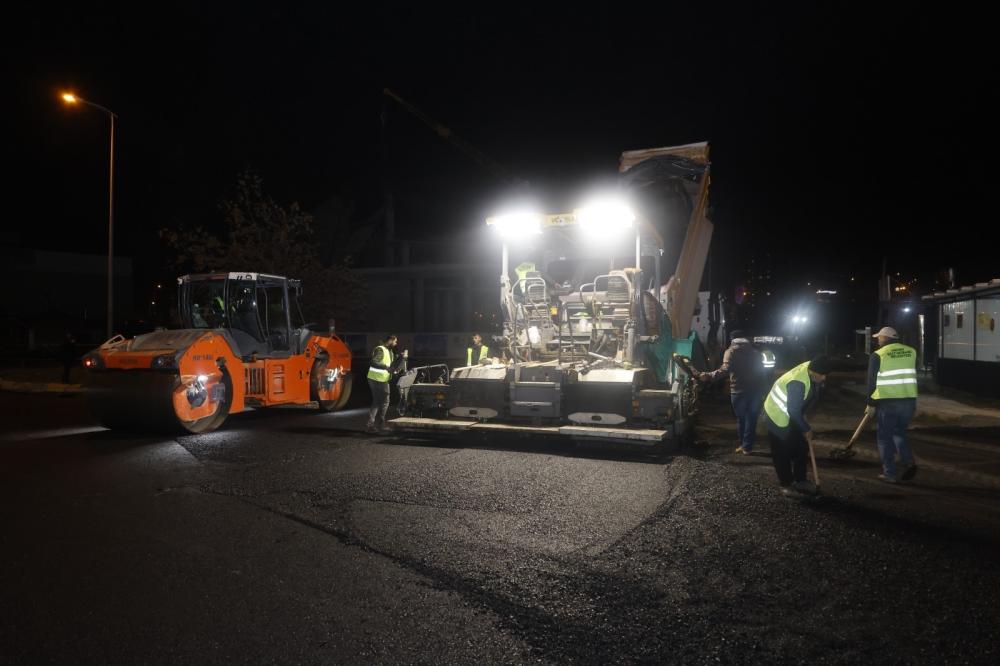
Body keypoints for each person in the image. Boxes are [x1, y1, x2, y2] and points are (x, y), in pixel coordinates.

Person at [762, 355, 832, 497]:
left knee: (801, 447)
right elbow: (793, 411)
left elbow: (798, 407)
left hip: (791, 413)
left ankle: (800, 480)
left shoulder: (810, 366)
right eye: (822, 375)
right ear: (813, 372)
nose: (824, 378)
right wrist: (806, 429)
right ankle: (786, 484)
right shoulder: (797, 382)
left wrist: (802, 415)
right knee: (782, 452)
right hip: (776, 415)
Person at [698, 330, 767, 454]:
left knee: (742, 418)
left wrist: (708, 376)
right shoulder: (756, 352)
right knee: (752, 418)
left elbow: (724, 370)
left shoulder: (730, 352)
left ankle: (743, 444)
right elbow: (762, 372)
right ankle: (747, 447)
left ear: (732, 339)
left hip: (738, 391)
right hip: (756, 391)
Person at [866, 326, 918, 483]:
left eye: (879, 337)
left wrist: (870, 403)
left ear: (885, 338)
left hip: (888, 402)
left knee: (884, 438)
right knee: (899, 433)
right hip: (909, 401)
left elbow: (871, 382)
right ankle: (908, 462)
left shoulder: (878, 355)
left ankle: (889, 473)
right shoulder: (911, 351)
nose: (878, 340)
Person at [366, 334, 405, 433]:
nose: (396, 344)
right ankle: (381, 424)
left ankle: (371, 425)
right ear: (390, 340)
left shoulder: (389, 351)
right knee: (385, 401)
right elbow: (373, 362)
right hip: (378, 380)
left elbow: (390, 366)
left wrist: (395, 369)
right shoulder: (381, 349)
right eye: (395, 341)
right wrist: (386, 367)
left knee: (376, 402)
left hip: (376, 378)